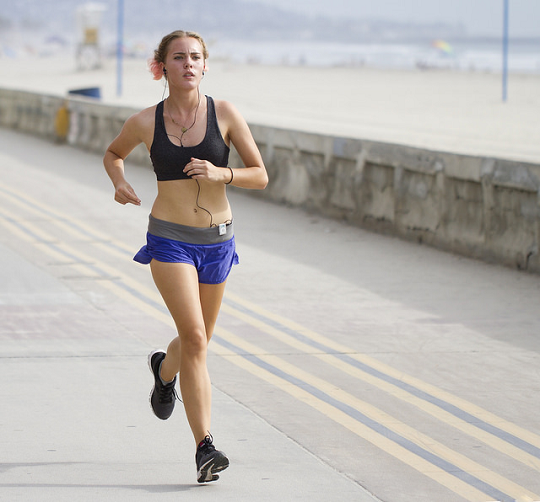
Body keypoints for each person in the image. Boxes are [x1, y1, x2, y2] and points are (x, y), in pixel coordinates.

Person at [103, 29, 268, 483]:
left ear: (205, 65)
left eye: (196, 57)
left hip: (218, 241)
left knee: (197, 342)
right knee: (195, 338)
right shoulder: (145, 121)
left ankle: (163, 370)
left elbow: (260, 175)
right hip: (169, 240)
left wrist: (223, 172)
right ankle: (205, 447)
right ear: (163, 66)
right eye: (179, 57)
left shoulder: (225, 114)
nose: (189, 64)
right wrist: (119, 182)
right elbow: (114, 153)